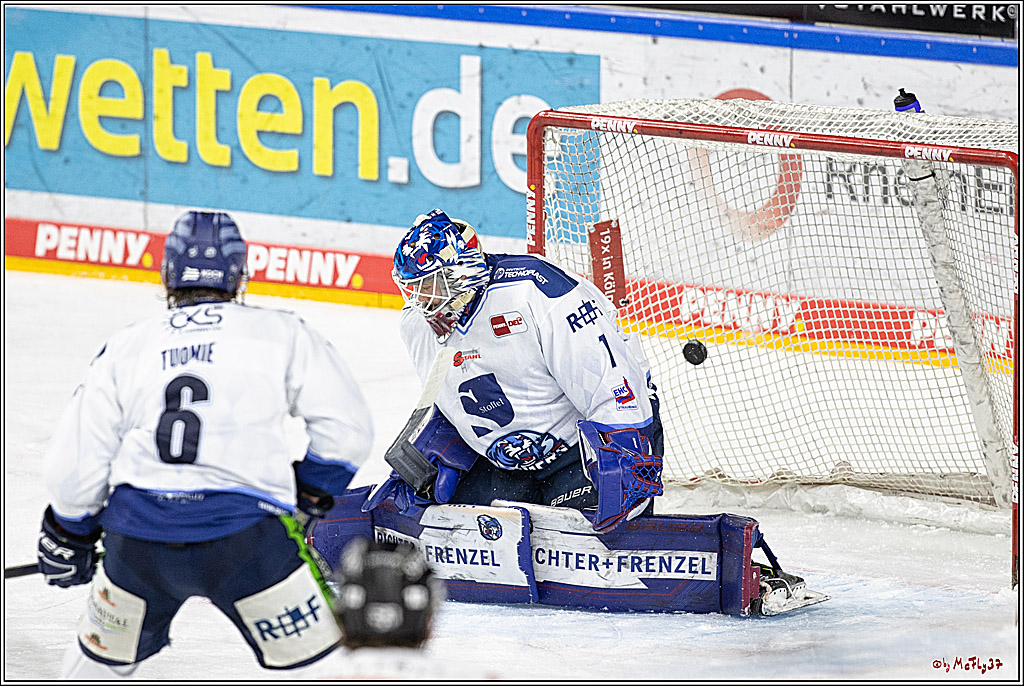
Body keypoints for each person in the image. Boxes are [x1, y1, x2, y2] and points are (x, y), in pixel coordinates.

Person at [36, 210, 374, 678]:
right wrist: (307, 495)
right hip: (249, 541)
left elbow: (75, 466)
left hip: (140, 544)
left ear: (167, 275)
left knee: (90, 668)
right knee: (330, 666)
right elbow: (347, 432)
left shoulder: (128, 346)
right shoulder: (282, 332)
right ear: (239, 276)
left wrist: (70, 533)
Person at [364, 208, 663, 532]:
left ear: (461, 273)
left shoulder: (539, 292)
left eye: (430, 285)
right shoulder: (417, 325)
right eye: (412, 289)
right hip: (505, 464)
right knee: (454, 534)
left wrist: (625, 455)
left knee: (587, 542)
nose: (421, 301)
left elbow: (615, 387)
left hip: (580, 456)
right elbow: (447, 395)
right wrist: (432, 447)